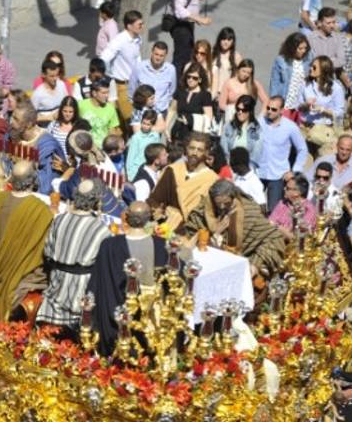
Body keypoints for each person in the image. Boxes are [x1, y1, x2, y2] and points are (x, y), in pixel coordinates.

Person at [87, 201, 168, 356]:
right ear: (149, 219)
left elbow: (96, 284)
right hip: (149, 321)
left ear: (126, 217)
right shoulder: (161, 245)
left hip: (115, 316)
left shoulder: (109, 246)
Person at [35, 179, 111, 335]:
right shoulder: (101, 230)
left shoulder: (59, 220)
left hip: (56, 287)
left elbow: (48, 252)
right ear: (96, 201)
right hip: (81, 295)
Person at [0, 161, 54, 321]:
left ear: (11, 179)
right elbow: (44, 248)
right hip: (22, 272)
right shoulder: (41, 210)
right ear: (33, 180)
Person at [186, 179, 285, 279]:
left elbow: (273, 238)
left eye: (226, 203)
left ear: (234, 198)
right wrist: (217, 232)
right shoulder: (203, 210)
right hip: (208, 264)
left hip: (242, 261)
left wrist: (255, 264)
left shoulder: (249, 212)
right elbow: (195, 238)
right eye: (218, 203)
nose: (222, 207)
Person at [147, 132, 218, 230]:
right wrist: (161, 217)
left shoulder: (212, 179)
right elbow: (154, 200)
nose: (194, 153)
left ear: (206, 153)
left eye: (200, 150)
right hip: (164, 225)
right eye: (192, 148)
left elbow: (210, 213)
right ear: (186, 149)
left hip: (190, 231)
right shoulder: (173, 170)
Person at [257, 96, 308, 211]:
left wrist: (295, 171)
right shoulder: (260, 122)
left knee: (274, 210)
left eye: (274, 109)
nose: (269, 111)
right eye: (268, 108)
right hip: (259, 172)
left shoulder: (290, 127)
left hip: (278, 175)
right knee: (254, 209)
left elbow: (302, 149)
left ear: (281, 110)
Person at [11, 101, 65, 195]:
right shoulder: (13, 135)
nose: (11, 122)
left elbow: (47, 185)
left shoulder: (47, 146)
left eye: (16, 119)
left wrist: (26, 168)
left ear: (28, 124)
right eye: (12, 117)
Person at [100, 10, 144, 122]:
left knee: (130, 118)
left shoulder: (138, 38)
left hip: (135, 84)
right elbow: (104, 58)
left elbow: (137, 58)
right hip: (122, 86)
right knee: (131, 119)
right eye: (139, 24)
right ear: (129, 26)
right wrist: (109, 76)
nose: (142, 26)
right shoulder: (119, 40)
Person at [167, 0, 212, 78]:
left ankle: (180, 84)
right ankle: (175, 87)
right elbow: (179, 10)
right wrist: (200, 19)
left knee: (187, 58)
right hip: (181, 27)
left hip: (186, 25)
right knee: (181, 60)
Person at [167, 62, 212, 142]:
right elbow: (172, 110)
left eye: (194, 78)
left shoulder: (205, 95)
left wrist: (191, 120)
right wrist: (166, 127)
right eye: (188, 77)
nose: (190, 80)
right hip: (178, 130)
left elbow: (208, 117)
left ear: (200, 80)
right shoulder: (180, 91)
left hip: (195, 133)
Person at [128, 41, 176, 116]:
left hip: (161, 111)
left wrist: (164, 104)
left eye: (161, 55)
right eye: (156, 54)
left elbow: (171, 91)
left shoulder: (171, 70)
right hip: (142, 111)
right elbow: (132, 89)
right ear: (152, 52)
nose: (158, 58)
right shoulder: (139, 67)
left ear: (165, 56)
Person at [269, 32, 312, 114]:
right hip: (286, 103)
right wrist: (274, 104)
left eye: (305, 48)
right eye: (300, 48)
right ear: (292, 48)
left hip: (302, 103)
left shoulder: (309, 57)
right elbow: (274, 83)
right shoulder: (281, 61)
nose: (303, 51)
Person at [298, 55, 346, 127]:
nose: (311, 69)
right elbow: (298, 107)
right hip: (307, 125)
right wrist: (306, 104)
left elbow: (340, 112)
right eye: (311, 66)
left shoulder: (336, 88)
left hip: (325, 128)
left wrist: (322, 110)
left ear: (324, 69)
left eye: (314, 67)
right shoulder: (305, 84)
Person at [218, 59, 268, 124]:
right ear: (238, 69)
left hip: (248, 117)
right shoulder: (229, 83)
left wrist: (261, 116)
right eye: (243, 71)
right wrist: (233, 110)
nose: (245, 75)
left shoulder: (254, 84)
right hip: (231, 116)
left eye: (248, 73)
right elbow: (221, 104)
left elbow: (266, 100)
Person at [269, 173, 318, 240]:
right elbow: (269, 224)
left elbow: (296, 237)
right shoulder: (282, 203)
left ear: (297, 192)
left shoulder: (309, 210)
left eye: (288, 188)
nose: (284, 189)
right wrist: (284, 231)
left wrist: (277, 227)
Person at [220, 95, 262, 165]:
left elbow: (255, 156)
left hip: (247, 169)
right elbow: (223, 150)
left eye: (244, 110)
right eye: (238, 109)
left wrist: (246, 171)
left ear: (250, 111)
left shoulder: (256, 129)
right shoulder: (229, 126)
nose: (240, 112)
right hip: (229, 167)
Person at [78, 78, 119, 148]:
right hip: (84, 147)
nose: (107, 96)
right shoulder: (81, 105)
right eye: (103, 93)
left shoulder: (110, 109)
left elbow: (112, 132)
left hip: (102, 149)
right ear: (94, 93)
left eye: (107, 92)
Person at [125, 109, 162, 180]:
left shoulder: (155, 136)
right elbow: (130, 158)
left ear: (153, 125)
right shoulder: (136, 138)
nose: (145, 126)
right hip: (137, 171)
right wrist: (131, 176)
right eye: (143, 123)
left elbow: (157, 153)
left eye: (148, 124)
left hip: (150, 170)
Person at [31, 59, 68, 128]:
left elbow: (67, 103)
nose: (55, 79)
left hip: (61, 127)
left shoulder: (61, 85)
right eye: (51, 76)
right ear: (43, 75)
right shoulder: (38, 94)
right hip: (46, 130)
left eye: (56, 75)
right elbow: (30, 117)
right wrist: (48, 117)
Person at [211, 27, 242, 99]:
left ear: (233, 41)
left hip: (227, 95)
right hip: (211, 94)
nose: (226, 42)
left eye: (229, 40)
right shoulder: (212, 53)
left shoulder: (236, 57)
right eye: (224, 39)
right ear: (219, 40)